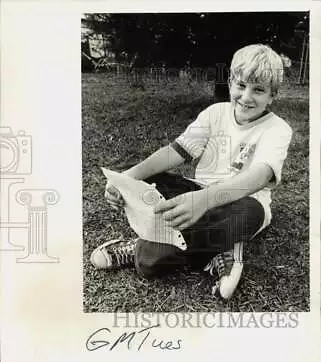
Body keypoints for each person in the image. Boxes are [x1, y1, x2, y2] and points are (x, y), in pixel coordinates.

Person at [90, 44, 293, 299]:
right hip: (196, 192)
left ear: (272, 95)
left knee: (247, 214)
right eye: (241, 85)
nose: (246, 97)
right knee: (144, 176)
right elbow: (176, 152)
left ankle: (141, 248)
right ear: (230, 82)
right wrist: (127, 178)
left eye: (259, 90)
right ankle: (222, 250)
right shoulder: (215, 112)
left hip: (241, 202)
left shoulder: (278, 129)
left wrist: (204, 201)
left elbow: (260, 176)